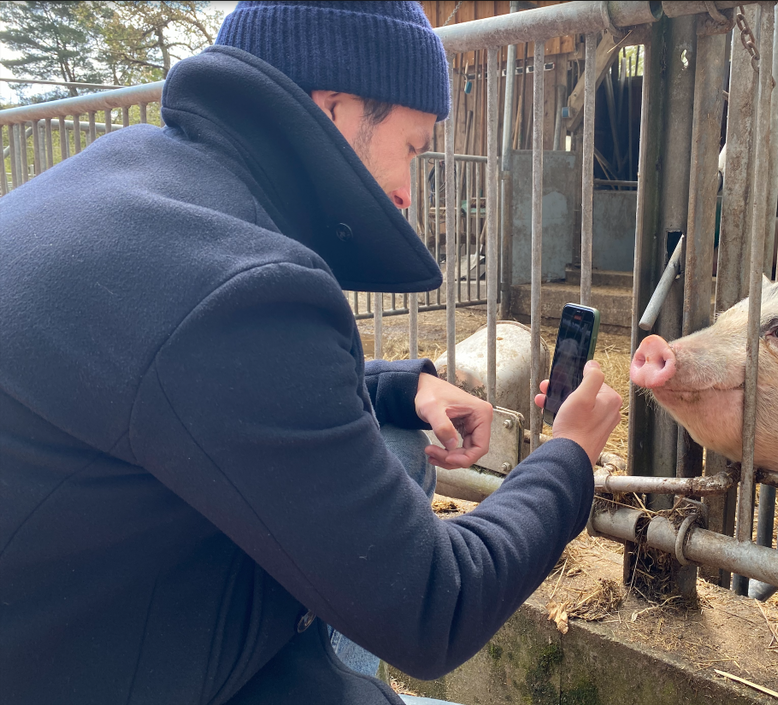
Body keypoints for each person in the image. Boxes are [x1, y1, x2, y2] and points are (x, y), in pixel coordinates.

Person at [0, 2, 623, 703]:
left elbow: (193, 381)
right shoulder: (242, 286)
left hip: (66, 614)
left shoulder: (135, 179)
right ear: (335, 109)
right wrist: (567, 455)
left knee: (393, 436)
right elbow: (435, 605)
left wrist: (397, 385)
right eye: (413, 148)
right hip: (79, 668)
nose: (408, 194)